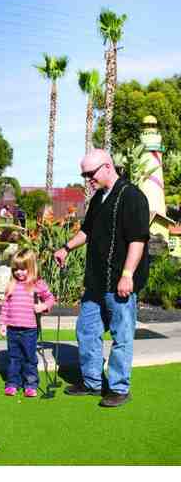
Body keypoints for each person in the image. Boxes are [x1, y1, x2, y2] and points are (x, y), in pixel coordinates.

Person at [53, 149, 149, 408]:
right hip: (96, 281)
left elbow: (138, 240)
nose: (87, 179)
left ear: (107, 167)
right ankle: (92, 382)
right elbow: (87, 231)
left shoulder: (132, 197)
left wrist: (127, 275)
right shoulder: (98, 198)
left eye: (90, 174)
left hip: (120, 282)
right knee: (87, 330)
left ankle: (119, 388)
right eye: (84, 175)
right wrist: (66, 248)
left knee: (121, 336)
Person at [0, 248, 55, 397]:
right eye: (16, 269)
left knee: (29, 358)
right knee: (14, 358)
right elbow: (5, 306)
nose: (19, 272)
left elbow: (50, 299)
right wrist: (3, 324)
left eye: (23, 269)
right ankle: (12, 383)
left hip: (30, 329)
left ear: (31, 268)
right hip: (12, 329)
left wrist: (43, 306)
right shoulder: (12, 285)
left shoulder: (37, 284)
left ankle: (30, 384)